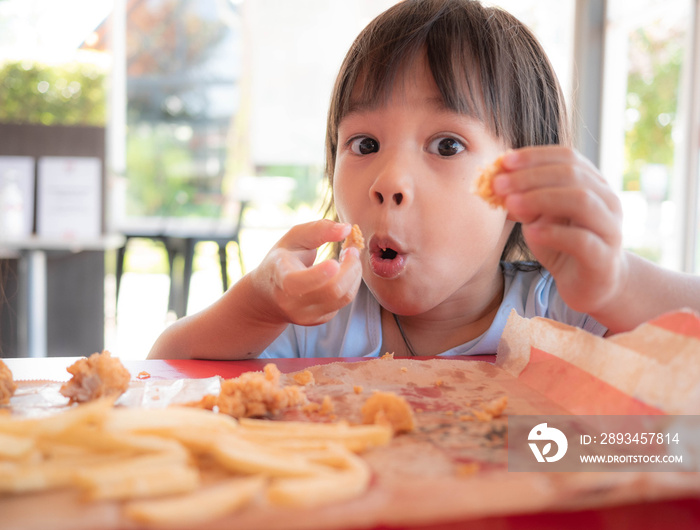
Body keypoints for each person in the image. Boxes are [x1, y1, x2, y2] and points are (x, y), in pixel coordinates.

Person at [148, 0, 700, 360]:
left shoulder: (564, 311)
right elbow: (162, 368)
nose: (390, 182)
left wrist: (616, 284)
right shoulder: (314, 325)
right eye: (364, 145)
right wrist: (259, 306)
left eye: (447, 145)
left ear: (521, 182)